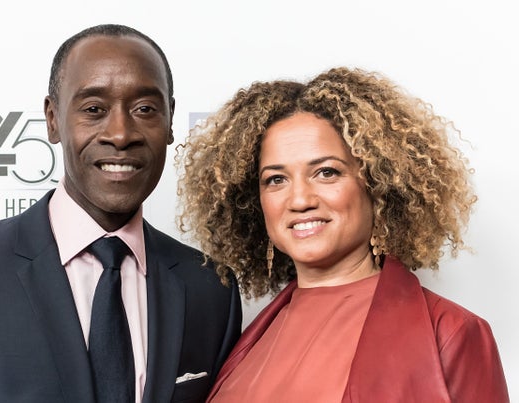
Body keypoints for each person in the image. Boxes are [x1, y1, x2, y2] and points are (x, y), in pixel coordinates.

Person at [0, 24, 241, 403]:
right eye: (93, 110)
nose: (120, 134)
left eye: (144, 109)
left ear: (170, 120)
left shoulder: (211, 288)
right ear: (53, 119)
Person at [176, 67, 509, 402]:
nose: (300, 200)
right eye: (276, 179)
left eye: (326, 172)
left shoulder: (451, 333)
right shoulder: (247, 342)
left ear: (377, 185)